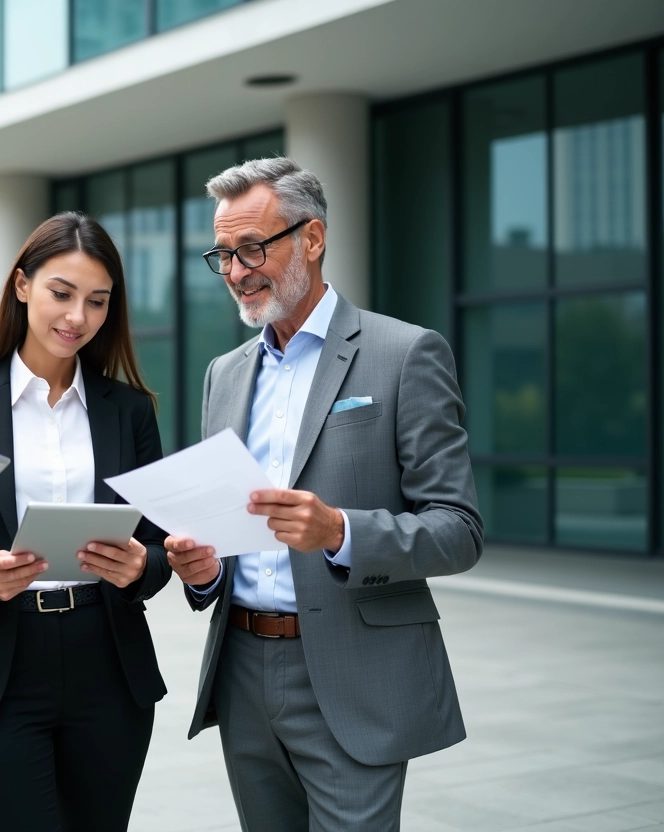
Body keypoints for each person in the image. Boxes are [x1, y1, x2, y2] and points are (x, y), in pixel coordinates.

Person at [166, 157, 483, 830]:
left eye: (252, 248)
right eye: (223, 255)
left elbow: (458, 529)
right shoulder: (224, 374)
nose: (236, 271)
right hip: (242, 670)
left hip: (355, 674)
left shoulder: (405, 354)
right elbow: (227, 531)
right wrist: (204, 570)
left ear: (312, 239)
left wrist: (341, 532)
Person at [0, 212, 172, 832]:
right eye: (62, 292)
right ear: (23, 285)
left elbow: (160, 547)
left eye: (97, 301)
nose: (77, 316)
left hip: (107, 662)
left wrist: (142, 567)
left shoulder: (130, 410)